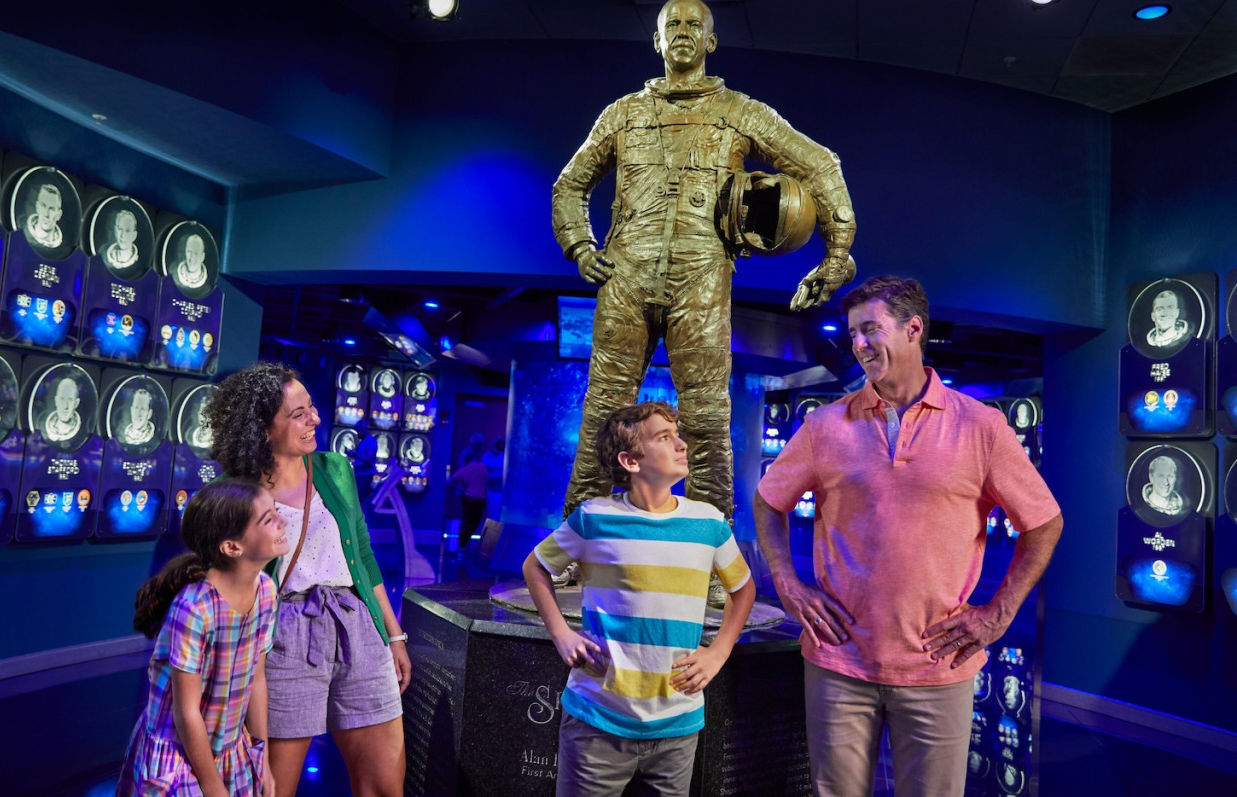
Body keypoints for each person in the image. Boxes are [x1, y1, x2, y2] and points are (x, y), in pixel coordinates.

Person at [753, 275, 1063, 797]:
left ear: (913, 329)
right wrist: (787, 583)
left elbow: (1044, 520)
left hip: (938, 664)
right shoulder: (824, 426)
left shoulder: (981, 427)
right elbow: (768, 501)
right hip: (838, 659)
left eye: (870, 329)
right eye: (853, 333)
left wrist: (999, 613)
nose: (858, 344)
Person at [553, 0, 857, 519]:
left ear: (711, 40)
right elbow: (570, 185)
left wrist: (838, 250)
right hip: (626, 277)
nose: (682, 31)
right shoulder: (622, 115)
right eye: (672, 23)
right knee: (604, 412)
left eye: (694, 24)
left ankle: (712, 546)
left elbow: (820, 165)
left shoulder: (740, 113)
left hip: (701, 280)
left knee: (707, 419)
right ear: (657, 40)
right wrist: (580, 246)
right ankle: (581, 538)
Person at [523, 401, 755, 797]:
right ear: (630, 461)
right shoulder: (593, 518)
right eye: (664, 437)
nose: (681, 444)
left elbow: (743, 588)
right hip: (597, 720)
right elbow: (535, 566)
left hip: (677, 723)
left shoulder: (709, 522)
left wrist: (718, 652)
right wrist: (561, 634)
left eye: (677, 434)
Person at [205, 362, 409, 797]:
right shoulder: (233, 492)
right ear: (263, 430)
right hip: (283, 636)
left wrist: (393, 635)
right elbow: (222, 585)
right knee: (273, 787)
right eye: (298, 414)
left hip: (356, 625)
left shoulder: (335, 469)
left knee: (384, 785)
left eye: (312, 408)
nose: (315, 418)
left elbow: (363, 554)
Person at [117, 479, 286, 797]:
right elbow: (186, 712)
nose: (283, 521)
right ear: (232, 547)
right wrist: (212, 786)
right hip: (179, 755)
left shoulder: (266, 590)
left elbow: (257, 679)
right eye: (268, 519)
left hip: (230, 747)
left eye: (276, 511)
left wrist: (261, 757)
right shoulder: (194, 608)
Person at [448, 455, 488, 553]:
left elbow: (450, 481)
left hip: (468, 498)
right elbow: (489, 481)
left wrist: (460, 489)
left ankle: (461, 546)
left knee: (465, 522)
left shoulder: (465, 469)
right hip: (480, 499)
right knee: (475, 523)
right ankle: (466, 542)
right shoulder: (482, 467)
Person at [24, 182, 65, 250]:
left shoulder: (63, 249)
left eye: (52, 209)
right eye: (43, 206)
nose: (46, 214)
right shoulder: (23, 233)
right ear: (37, 207)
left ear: (59, 215)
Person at [43, 376, 83, 443]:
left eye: (70, 400)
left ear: (76, 403)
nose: (66, 406)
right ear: (56, 401)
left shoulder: (82, 433)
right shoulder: (42, 427)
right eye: (62, 399)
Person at [103, 208, 141, 274]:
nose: (122, 235)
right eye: (120, 229)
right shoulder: (103, 257)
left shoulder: (139, 266)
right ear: (115, 231)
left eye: (127, 231)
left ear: (134, 235)